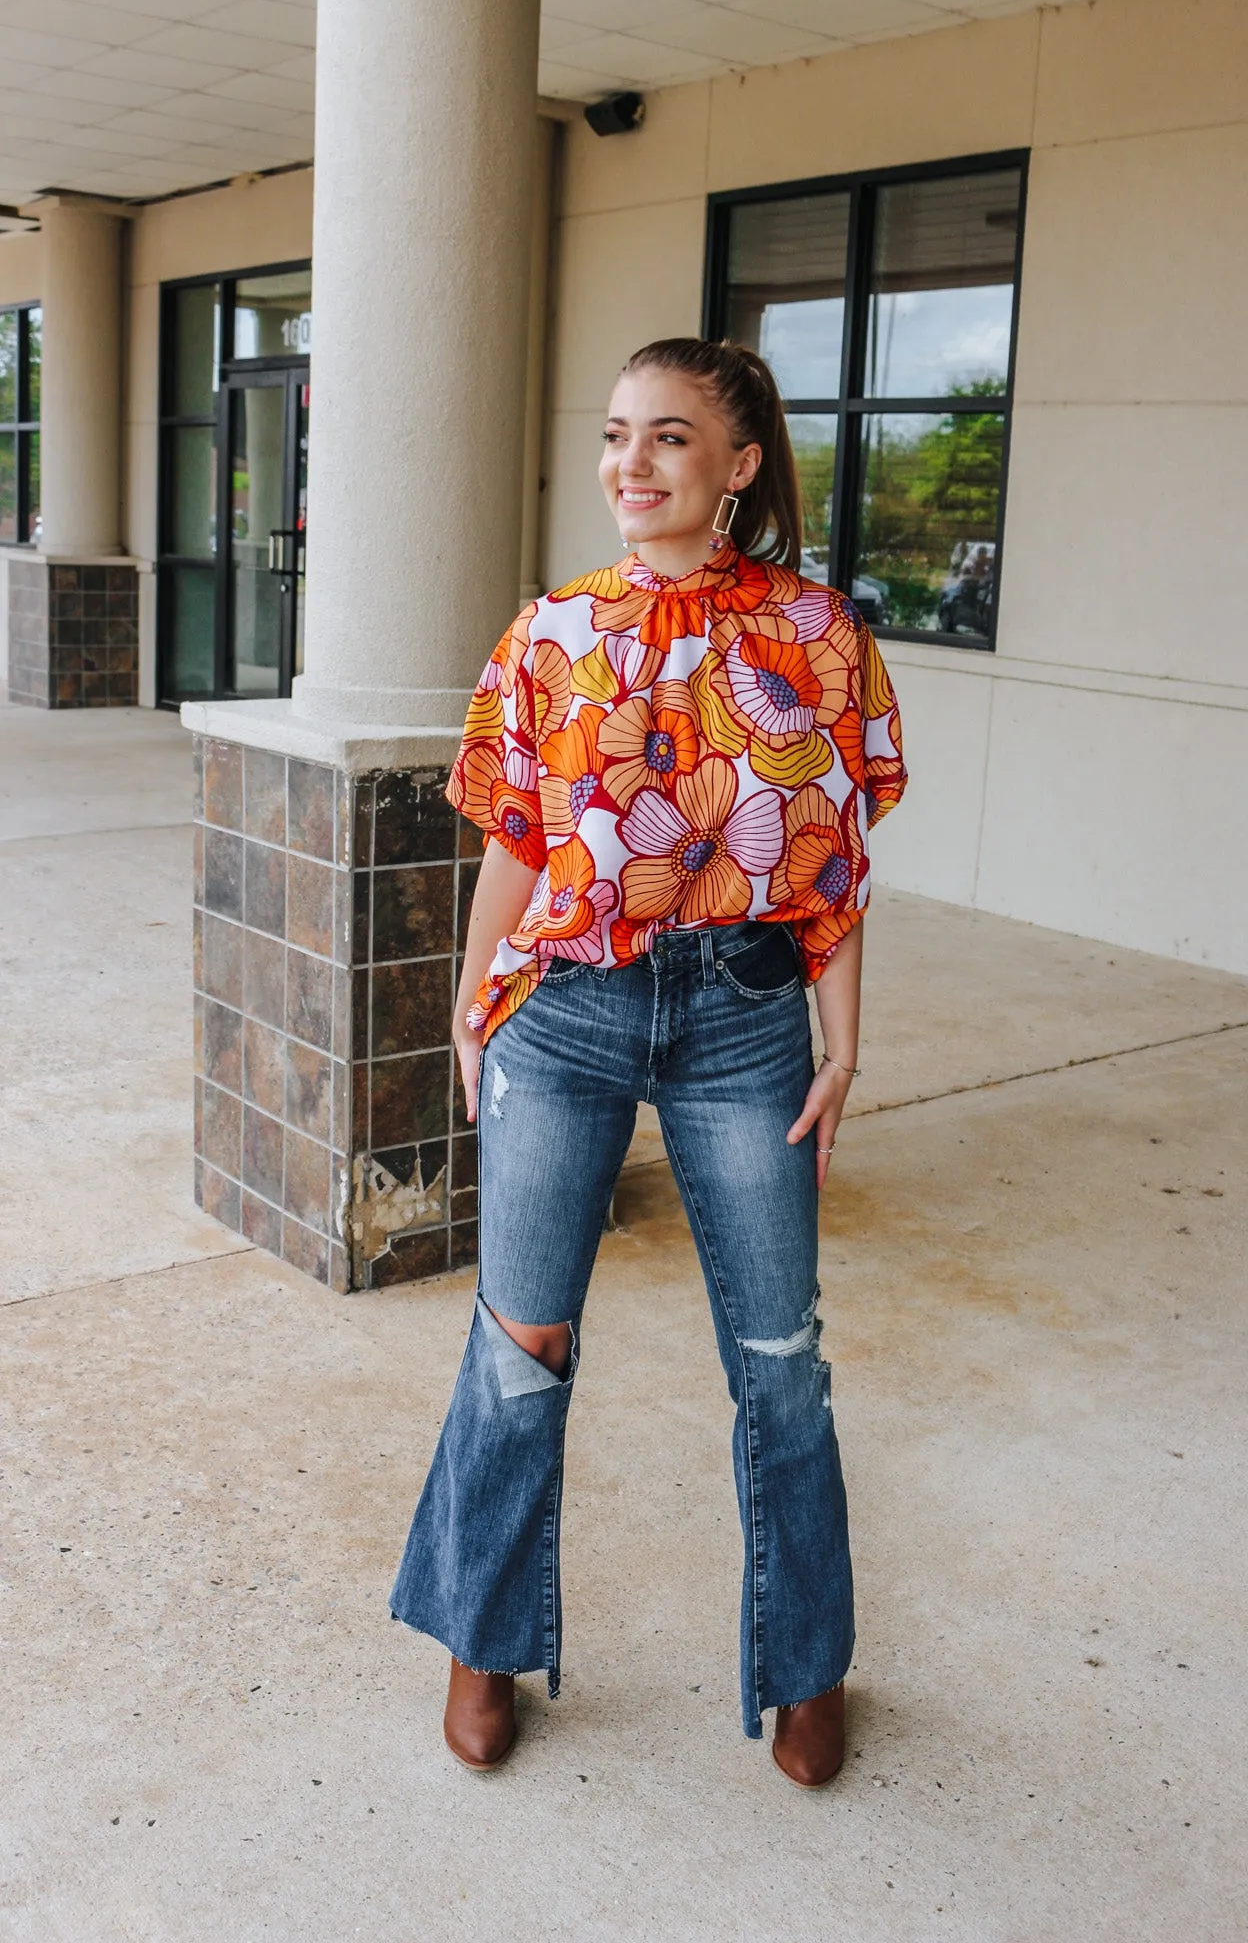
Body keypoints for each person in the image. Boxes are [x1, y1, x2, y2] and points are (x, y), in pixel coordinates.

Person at [390, 336, 906, 1786]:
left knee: (780, 1362)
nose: (633, 463)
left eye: (670, 438)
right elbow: (519, 837)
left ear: (740, 464)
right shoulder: (550, 631)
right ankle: (482, 1644)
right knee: (520, 1343)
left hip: (745, 1016)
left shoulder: (821, 636)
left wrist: (843, 1041)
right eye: (619, 434)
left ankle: (807, 1666)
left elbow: (837, 868)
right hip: (566, 1008)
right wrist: (470, 1000)